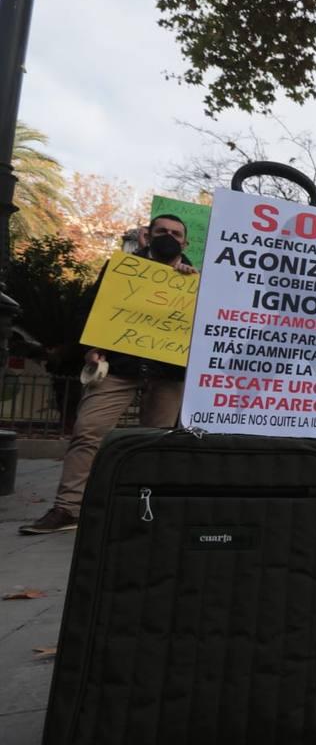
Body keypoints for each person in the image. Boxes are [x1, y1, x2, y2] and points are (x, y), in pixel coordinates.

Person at [22, 215, 198, 534]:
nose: (169, 237)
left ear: (185, 243)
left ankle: (143, 508)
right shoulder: (121, 269)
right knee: (89, 430)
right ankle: (68, 508)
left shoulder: (196, 280)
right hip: (118, 364)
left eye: (176, 234)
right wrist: (89, 347)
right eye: (162, 232)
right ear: (147, 236)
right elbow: (89, 310)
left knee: (154, 441)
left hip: (169, 371)